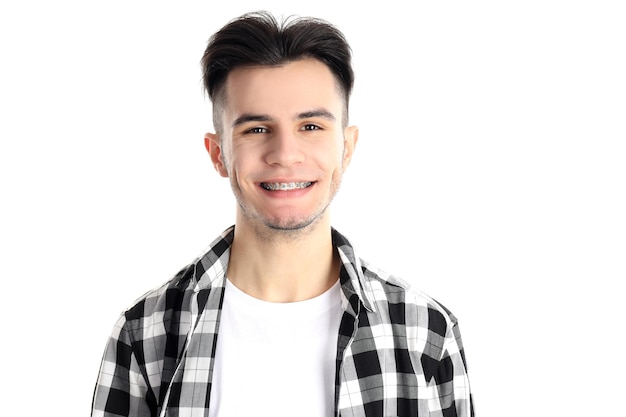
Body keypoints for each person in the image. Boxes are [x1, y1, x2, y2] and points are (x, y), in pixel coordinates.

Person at [91, 10, 474, 417]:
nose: (285, 154)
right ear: (218, 153)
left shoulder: (425, 332)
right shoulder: (146, 332)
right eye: (256, 129)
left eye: (310, 126)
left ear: (347, 147)